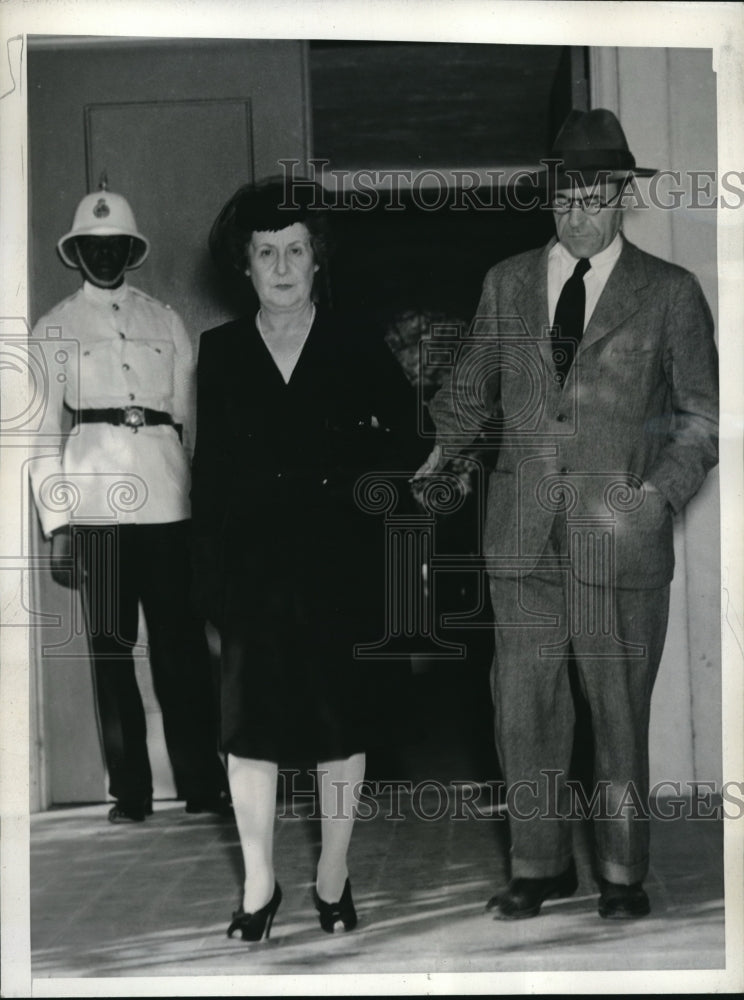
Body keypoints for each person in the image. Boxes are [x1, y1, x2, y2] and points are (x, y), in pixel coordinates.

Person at [416, 109, 719, 920]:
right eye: (565, 195)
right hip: (521, 538)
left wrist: (656, 494)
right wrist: (440, 451)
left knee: (616, 713)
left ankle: (623, 874)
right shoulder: (507, 281)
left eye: (594, 195)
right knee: (524, 708)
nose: (577, 211)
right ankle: (540, 864)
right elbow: (469, 390)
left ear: (623, 195)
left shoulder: (670, 293)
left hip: (618, 540)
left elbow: (701, 418)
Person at [191, 177, 421, 942]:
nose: (282, 267)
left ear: (317, 260)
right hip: (252, 570)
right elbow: (211, 476)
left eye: (296, 250)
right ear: (245, 266)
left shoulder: (356, 341)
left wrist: (356, 483)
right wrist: (213, 583)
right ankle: (259, 886)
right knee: (248, 728)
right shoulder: (218, 352)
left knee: (336, 724)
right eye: (266, 253)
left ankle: (332, 873)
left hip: (340, 563)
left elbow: (413, 441)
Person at [30, 184, 230, 824]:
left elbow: (191, 423)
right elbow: (39, 437)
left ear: (132, 250)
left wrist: (201, 510)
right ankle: (131, 793)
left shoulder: (164, 320)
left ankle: (202, 782)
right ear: (76, 252)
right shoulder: (55, 328)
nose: (105, 255)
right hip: (94, 511)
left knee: (182, 650)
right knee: (111, 649)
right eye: (93, 246)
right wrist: (58, 523)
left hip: (168, 502)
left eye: (116, 245)